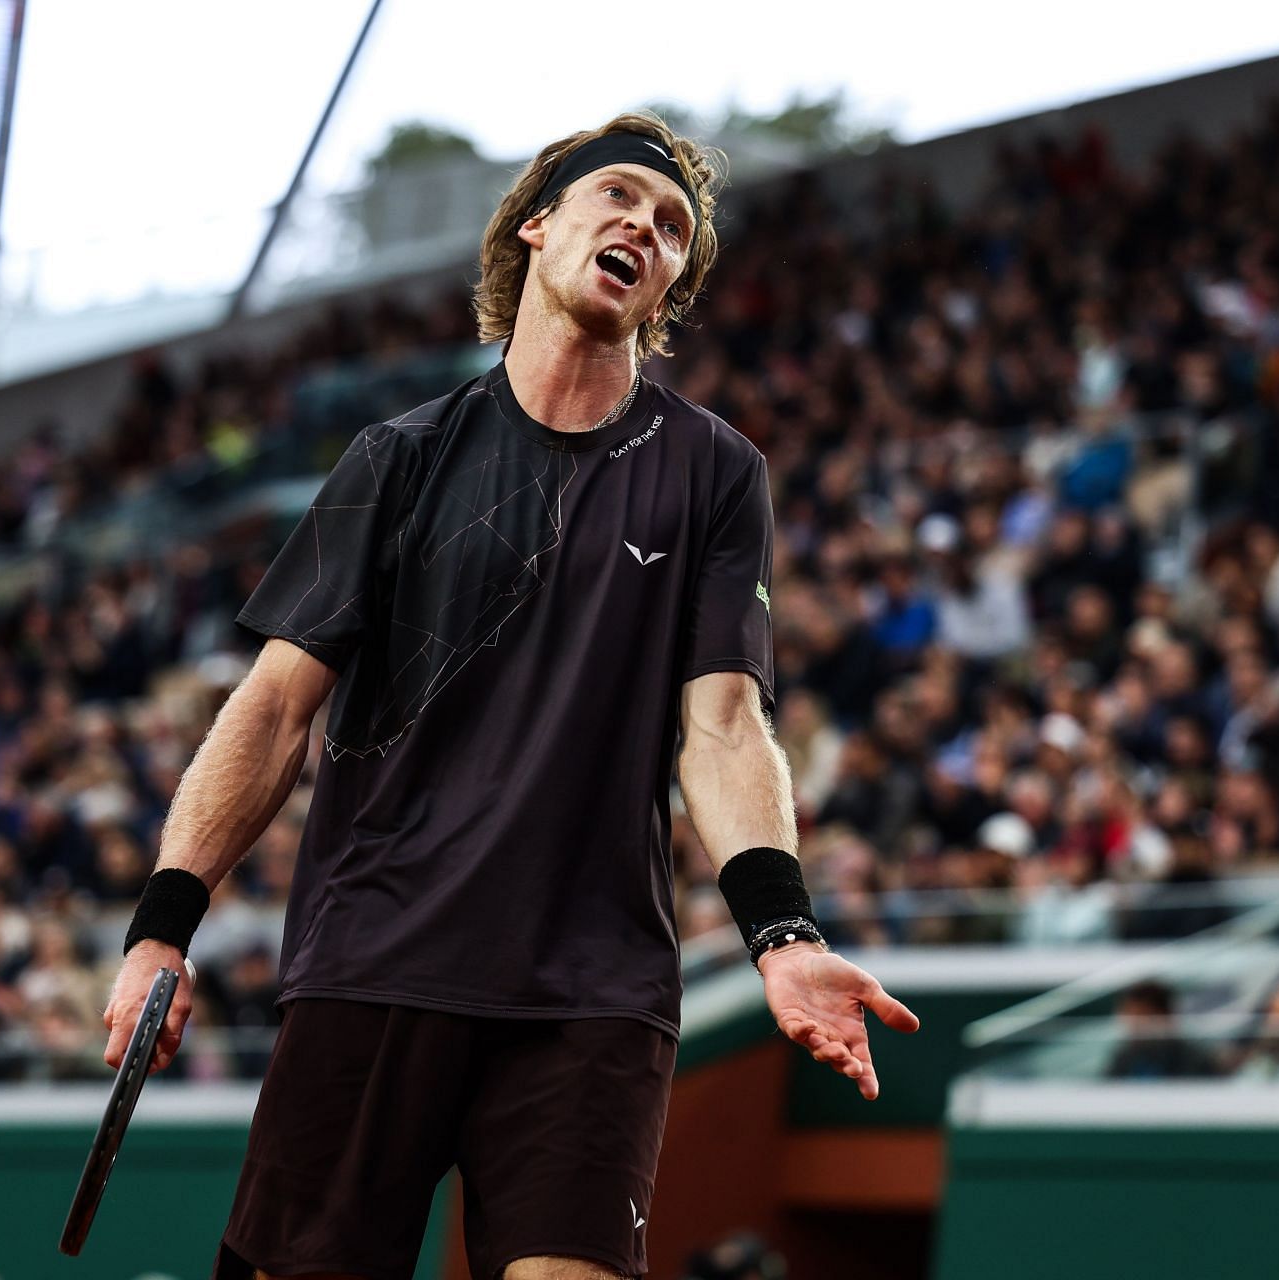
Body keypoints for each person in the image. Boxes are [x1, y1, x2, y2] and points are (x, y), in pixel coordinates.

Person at [99, 112, 919, 1280]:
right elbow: (277, 705)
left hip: (591, 992)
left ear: (668, 285)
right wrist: (160, 928)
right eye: (623, 196)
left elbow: (724, 722)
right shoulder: (400, 455)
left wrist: (783, 934)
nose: (647, 223)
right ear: (538, 225)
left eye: (675, 224)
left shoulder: (714, 472)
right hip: (376, 957)